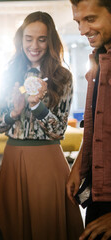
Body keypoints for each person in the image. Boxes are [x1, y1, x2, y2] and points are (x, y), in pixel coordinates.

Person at [0, 11, 84, 240]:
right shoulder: (8, 74)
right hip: (13, 158)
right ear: (21, 40)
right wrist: (13, 113)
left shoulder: (62, 77)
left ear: (50, 41)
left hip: (47, 159)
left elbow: (58, 131)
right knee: (14, 227)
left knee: (48, 226)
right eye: (28, 38)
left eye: (42, 39)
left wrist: (37, 107)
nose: (34, 45)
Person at [66, 0, 111, 239]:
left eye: (91, 19)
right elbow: (98, 127)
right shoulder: (99, 59)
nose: (82, 30)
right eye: (78, 21)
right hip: (98, 194)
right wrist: (79, 167)